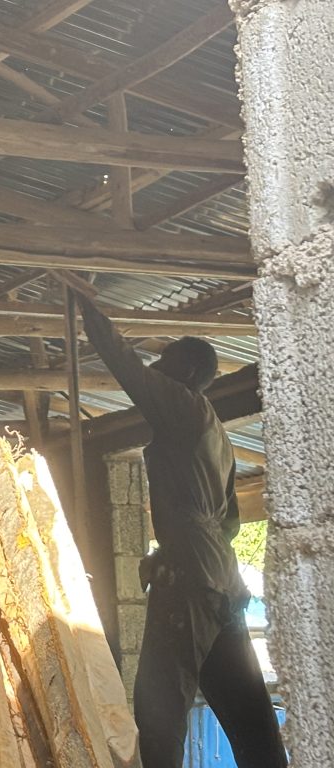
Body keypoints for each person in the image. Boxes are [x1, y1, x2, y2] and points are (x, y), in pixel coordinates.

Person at [75, 293, 286, 768]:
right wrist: (182, 551)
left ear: (188, 372)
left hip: (190, 581)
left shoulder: (182, 406)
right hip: (223, 583)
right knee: (247, 711)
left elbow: (130, 370)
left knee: (159, 709)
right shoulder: (217, 435)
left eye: (165, 361)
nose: (157, 367)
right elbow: (228, 522)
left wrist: (93, 316)